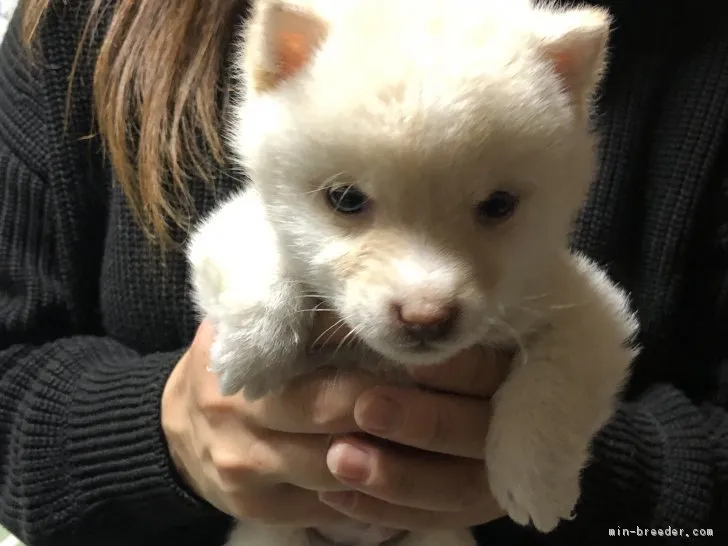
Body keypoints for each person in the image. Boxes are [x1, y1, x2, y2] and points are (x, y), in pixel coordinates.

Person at [0, 0, 726, 545]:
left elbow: (589, 330)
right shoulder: (77, 24)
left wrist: (560, 459)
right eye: (349, 201)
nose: (427, 295)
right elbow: (233, 240)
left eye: (495, 207)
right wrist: (164, 432)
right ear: (274, 70)